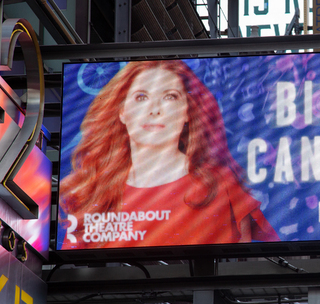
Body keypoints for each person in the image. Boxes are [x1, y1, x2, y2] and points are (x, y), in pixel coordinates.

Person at [60, 60, 279, 249]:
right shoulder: (94, 191)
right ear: (122, 112)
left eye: (170, 97)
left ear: (186, 111)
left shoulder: (221, 186)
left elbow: (236, 272)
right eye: (141, 97)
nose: (155, 109)